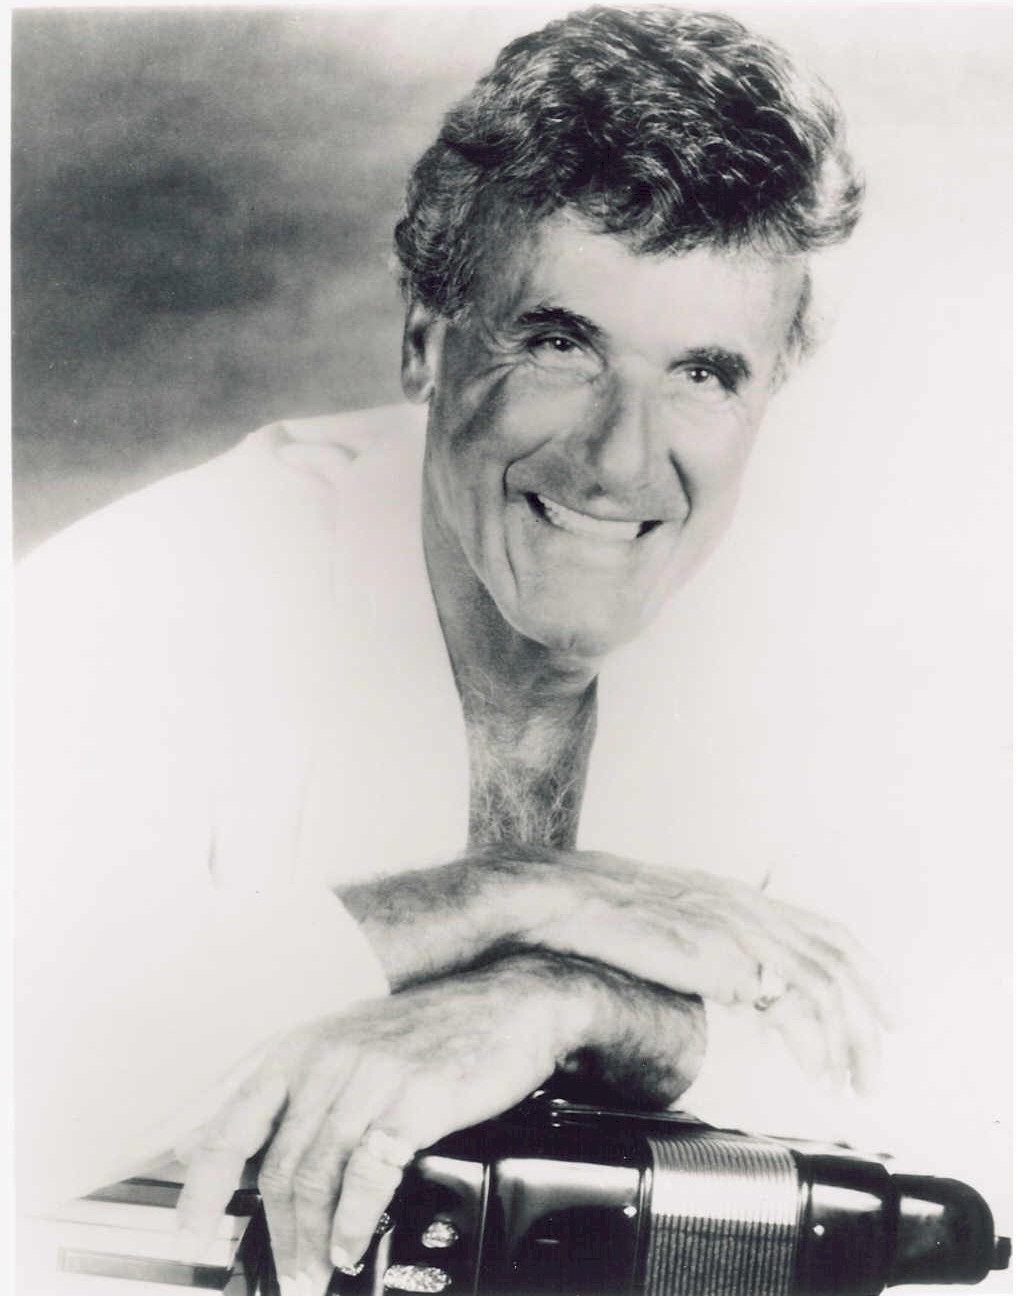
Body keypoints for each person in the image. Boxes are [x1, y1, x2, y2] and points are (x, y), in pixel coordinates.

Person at [14, 5, 923, 1294]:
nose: (620, 460)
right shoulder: (146, 605)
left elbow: (923, 1091)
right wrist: (519, 893)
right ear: (425, 342)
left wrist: (564, 1000)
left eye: (703, 374)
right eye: (560, 344)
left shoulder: (827, 659)